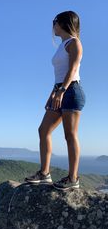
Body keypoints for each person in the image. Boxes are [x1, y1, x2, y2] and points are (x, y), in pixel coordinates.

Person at [25, 11, 86, 190]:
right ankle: (45, 174)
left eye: (55, 22)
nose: (53, 26)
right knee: (43, 130)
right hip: (59, 90)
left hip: (72, 91)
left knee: (70, 135)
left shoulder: (74, 43)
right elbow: (59, 74)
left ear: (63, 23)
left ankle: (73, 178)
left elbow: (73, 68)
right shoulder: (62, 45)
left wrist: (61, 90)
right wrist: (52, 94)